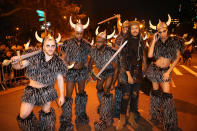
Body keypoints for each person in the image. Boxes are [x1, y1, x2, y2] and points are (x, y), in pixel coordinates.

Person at [12, 32, 66, 131]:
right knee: (23, 115)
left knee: (46, 113)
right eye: (48, 46)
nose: (50, 48)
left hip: (47, 90)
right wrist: (15, 63)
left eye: (53, 46)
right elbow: (20, 66)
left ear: (56, 47)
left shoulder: (57, 61)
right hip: (32, 90)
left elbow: (60, 79)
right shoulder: (34, 56)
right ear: (43, 46)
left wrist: (62, 95)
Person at [147, 18, 184, 130]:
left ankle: (170, 123)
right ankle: (155, 114)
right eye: (160, 31)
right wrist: (153, 40)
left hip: (165, 71)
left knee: (167, 96)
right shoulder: (156, 41)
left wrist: (168, 71)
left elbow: (177, 58)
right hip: (154, 69)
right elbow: (149, 55)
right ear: (157, 32)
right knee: (156, 93)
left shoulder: (175, 41)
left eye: (164, 30)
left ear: (167, 30)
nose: (162, 33)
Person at [60, 16, 91, 130]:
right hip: (71, 72)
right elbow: (63, 58)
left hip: (82, 72)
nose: (79, 35)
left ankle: (81, 114)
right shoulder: (67, 43)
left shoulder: (86, 44)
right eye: (77, 33)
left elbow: (88, 58)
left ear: (83, 33)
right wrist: (65, 69)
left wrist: (87, 72)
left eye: (81, 33)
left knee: (81, 94)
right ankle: (66, 119)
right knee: (68, 96)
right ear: (74, 32)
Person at [116, 20, 147, 130]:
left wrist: (144, 68)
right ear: (129, 29)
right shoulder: (125, 40)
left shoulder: (141, 41)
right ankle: (122, 119)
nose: (135, 30)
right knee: (126, 96)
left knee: (134, 95)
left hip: (137, 72)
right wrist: (128, 75)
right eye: (133, 28)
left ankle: (132, 118)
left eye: (136, 28)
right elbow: (123, 60)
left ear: (139, 30)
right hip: (126, 72)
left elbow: (143, 56)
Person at [88, 28, 118, 130]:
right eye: (97, 41)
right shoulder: (93, 50)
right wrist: (92, 73)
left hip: (110, 72)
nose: (97, 43)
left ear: (105, 42)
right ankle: (104, 105)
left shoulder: (111, 52)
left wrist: (114, 82)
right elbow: (89, 64)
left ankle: (105, 116)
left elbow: (116, 68)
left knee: (106, 90)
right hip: (101, 72)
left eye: (100, 41)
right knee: (98, 87)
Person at [113, 14, 130, 118]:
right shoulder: (119, 38)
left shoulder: (133, 37)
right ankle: (118, 110)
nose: (125, 29)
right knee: (119, 87)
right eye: (124, 27)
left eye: (127, 27)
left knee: (128, 89)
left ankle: (127, 110)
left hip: (130, 67)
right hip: (120, 66)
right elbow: (116, 52)